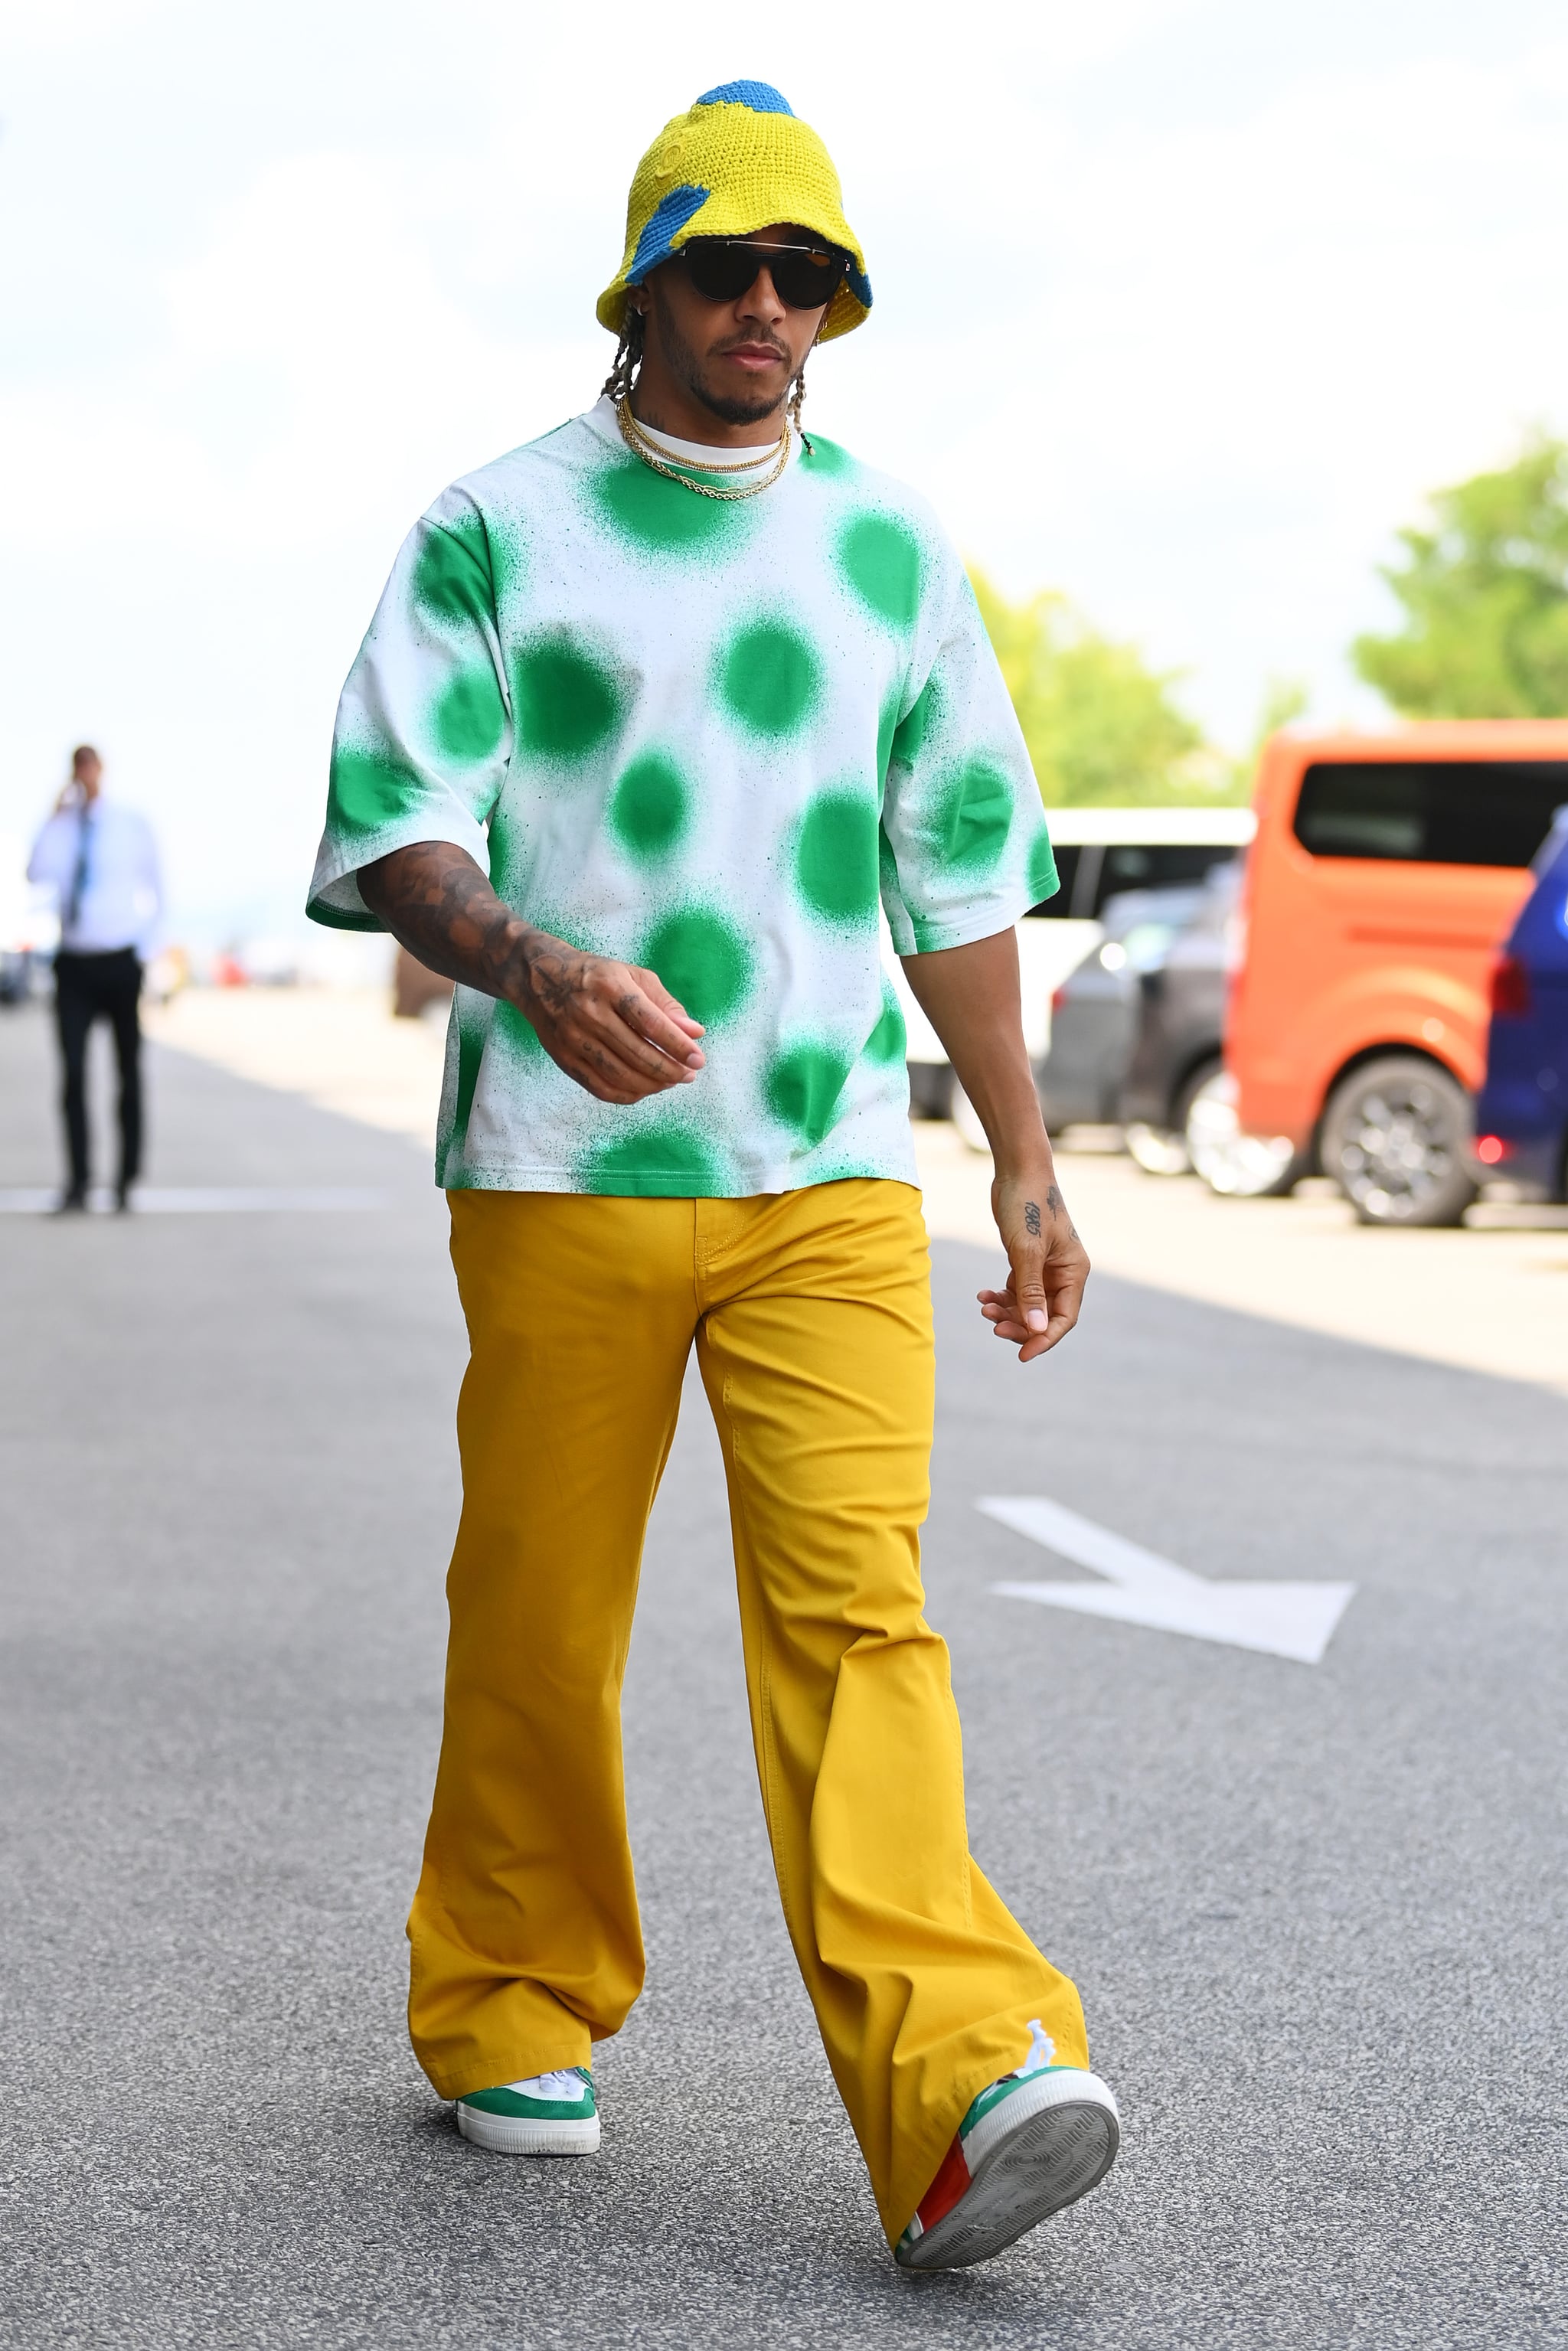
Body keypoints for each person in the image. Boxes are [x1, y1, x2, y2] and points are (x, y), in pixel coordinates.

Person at [306, 81, 1119, 2271]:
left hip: (834, 1164)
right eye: (729, 267)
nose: (771, 308)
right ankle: (504, 1990)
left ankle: (964, 2075)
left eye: (810, 277)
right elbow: (393, 813)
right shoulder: (499, 523)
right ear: (645, 284)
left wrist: (1023, 1160)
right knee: (544, 1615)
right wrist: (525, 957)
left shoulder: (890, 546)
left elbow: (959, 866)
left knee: (863, 1611)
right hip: (563, 1167)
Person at [28, 746, 162, 1212]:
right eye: (78, 769)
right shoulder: (61, 827)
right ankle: (79, 1181)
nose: (85, 776)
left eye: (90, 767)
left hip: (121, 960)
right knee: (73, 1076)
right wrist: (53, 816)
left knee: (128, 1073)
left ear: (101, 770)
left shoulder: (130, 823)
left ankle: (126, 1180)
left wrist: (145, 952)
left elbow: (158, 888)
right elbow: (35, 873)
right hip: (74, 962)